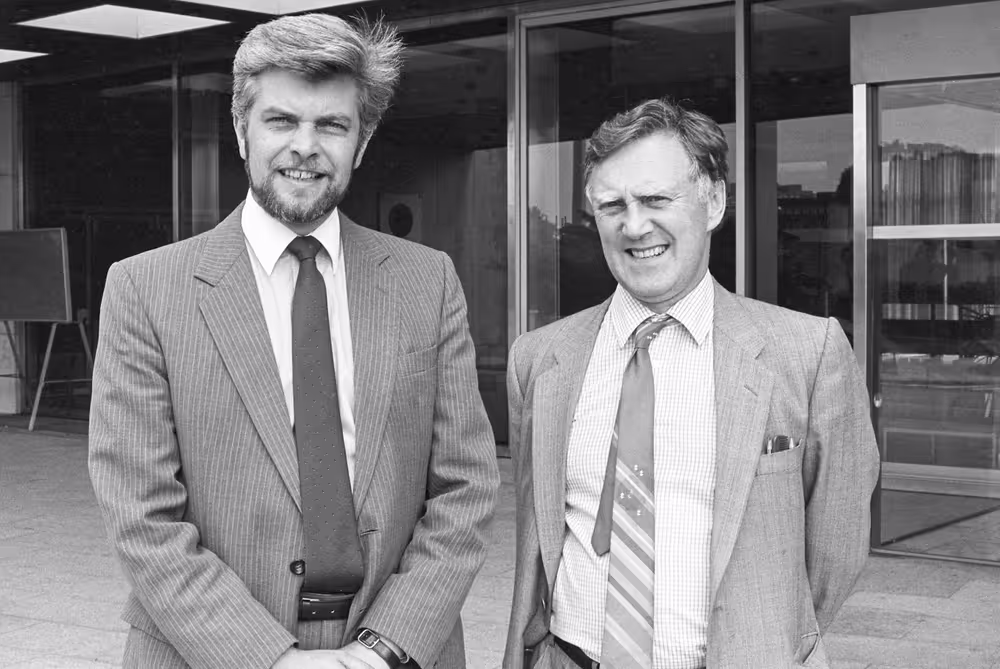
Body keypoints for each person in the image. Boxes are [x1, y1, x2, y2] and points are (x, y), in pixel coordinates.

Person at [89, 13, 499, 669]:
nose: (305, 146)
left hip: (395, 651)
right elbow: (143, 517)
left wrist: (384, 649)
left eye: (331, 125)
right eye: (282, 121)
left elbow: (465, 489)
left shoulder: (428, 281)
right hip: (206, 652)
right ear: (241, 130)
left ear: (361, 142)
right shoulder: (146, 290)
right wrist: (269, 658)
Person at [503, 98, 879, 669]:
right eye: (612, 205)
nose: (634, 225)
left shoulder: (808, 352)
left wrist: (771, 643)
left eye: (656, 199)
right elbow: (537, 539)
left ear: (714, 203)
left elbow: (838, 544)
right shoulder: (539, 358)